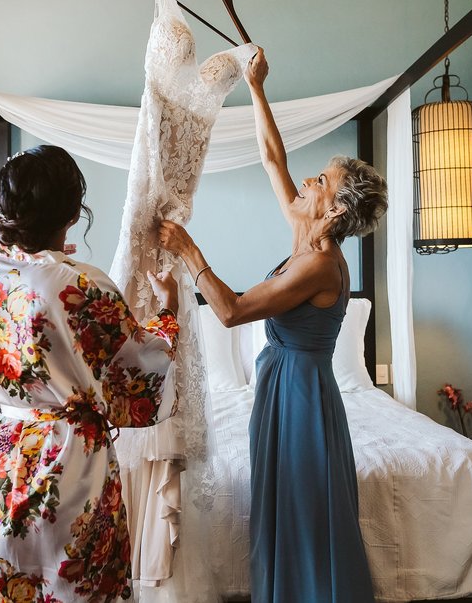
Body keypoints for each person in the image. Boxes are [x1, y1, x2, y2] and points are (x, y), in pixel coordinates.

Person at [157, 48, 388, 603]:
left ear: (332, 213)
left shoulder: (317, 264)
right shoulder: (307, 233)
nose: (306, 182)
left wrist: (189, 251)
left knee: (304, 506)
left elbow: (233, 311)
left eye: (321, 183)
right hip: (283, 385)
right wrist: (256, 86)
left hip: (301, 397)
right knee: (285, 501)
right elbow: (271, 159)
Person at [0, 145, 180, 602]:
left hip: (4, 458)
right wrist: (168, 311)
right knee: (79, 586)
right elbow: (141, 368)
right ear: (74, 213)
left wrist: (51, 265)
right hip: (69, 461)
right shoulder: (81, 284)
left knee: (9, 582)